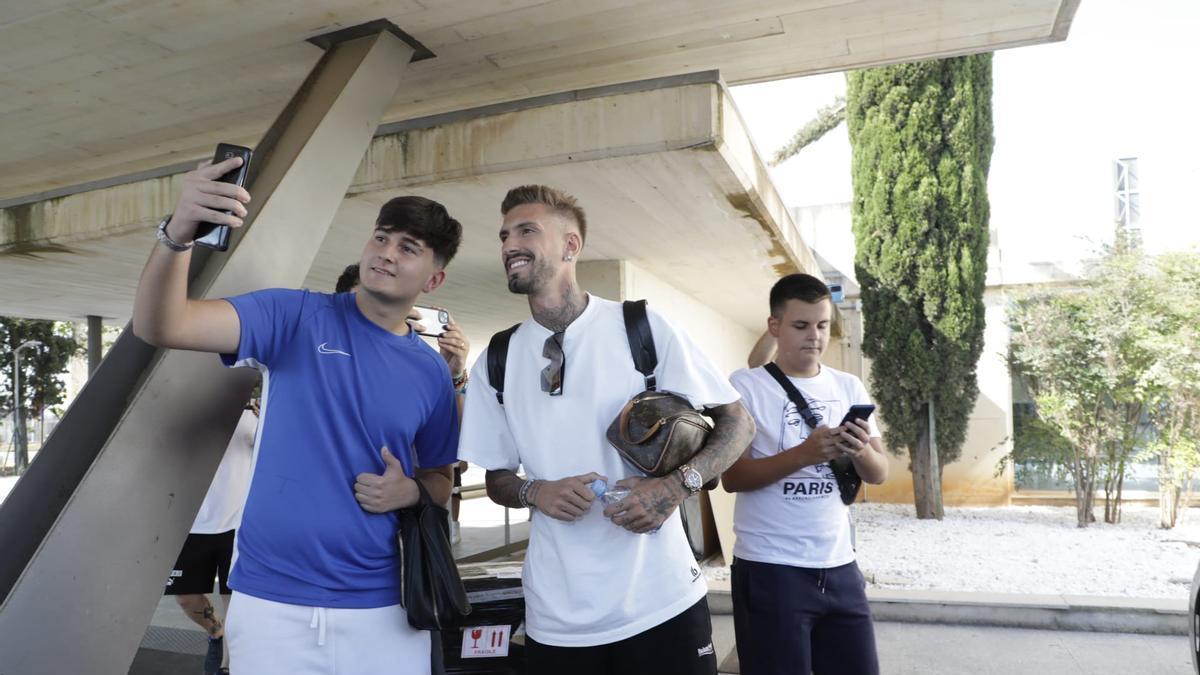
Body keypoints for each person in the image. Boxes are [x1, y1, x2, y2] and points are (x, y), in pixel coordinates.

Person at [133, 155, 463, 675]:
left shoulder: (432, 373)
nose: (386, 253)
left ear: (434, 278)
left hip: (384, 609)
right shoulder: (295, 316)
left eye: (408, 248)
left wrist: (412, 493)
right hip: (270, 606)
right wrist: (179, 234)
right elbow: (163, 324)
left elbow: (440, 478)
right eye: (381, 237)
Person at [457, 185, 756, 675]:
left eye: (527, 231)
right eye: (505, 234)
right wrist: (536, 491)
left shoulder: (640, 326)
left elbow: (738, 422)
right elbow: (497, 480)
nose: (510, 244)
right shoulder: (497, 356)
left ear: (571, 246)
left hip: (662, 603)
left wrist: (674, 487)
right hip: (557, 619)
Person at [721, 273, 889, 675]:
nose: (814, 336)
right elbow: (733, 477)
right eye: (801, 325)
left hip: (840, 565)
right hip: (770, 568)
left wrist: (859, 447)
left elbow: (880, 472)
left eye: (822, 325)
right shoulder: (745, 386)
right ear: (775, 326)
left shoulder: (849, 386)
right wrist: (804, 453)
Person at [336, 262, 471, 545]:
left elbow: (452, 462)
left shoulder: (424, 373)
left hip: (392, 542)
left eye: (387, 307)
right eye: (365, 305)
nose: (376, 318)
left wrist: (453, 374)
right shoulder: (318, 361)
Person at [164, 400, 256, 675]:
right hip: (191, 523)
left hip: (238, 523)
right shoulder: (184, 410)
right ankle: (216, 633)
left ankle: (226, 666)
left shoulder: (252, 415)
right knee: (186, 598)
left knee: (235, 602)